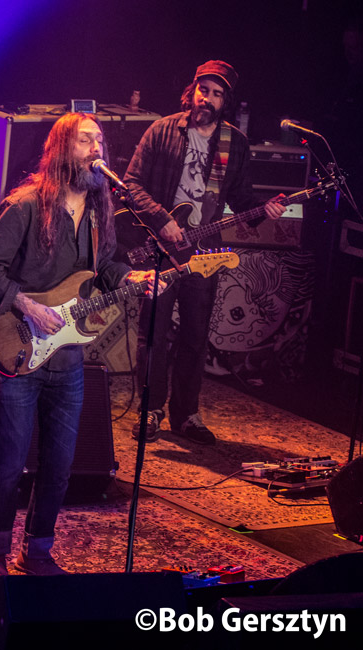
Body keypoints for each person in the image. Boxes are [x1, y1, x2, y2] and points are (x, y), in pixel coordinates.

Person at [0, 113, 159, 577]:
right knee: (9, 463)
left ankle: (38, 550)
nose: (97, 149)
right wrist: (29, 307)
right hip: (21, 343)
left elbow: (102, 268)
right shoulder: (26, 205)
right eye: (85, 140)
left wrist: (131, 276)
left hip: (68, 353)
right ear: (61, 150)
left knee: (60, 463)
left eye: (100, 141)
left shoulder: (97, 211)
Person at [123, 60, 285, 445]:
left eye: (216, 94)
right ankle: (150, 411)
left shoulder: (235, 143)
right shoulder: (162, 130)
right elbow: (130, 184)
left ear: (225, 100)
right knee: (154, 334)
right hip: (161, 247)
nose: (207, 99)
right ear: (192, 91)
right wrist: (162, 219)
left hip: (204, 253)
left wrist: (267, 208)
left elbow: (242, 200)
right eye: (203, 90)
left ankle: (186, 415)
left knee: (195, 337)